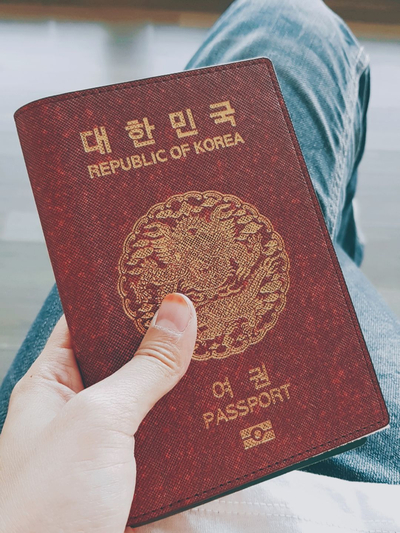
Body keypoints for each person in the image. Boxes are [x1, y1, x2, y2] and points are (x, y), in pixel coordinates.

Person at [1, 0, 399, 531]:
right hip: (349, 487)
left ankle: (334, 255)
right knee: (294, 21)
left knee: (285, 26)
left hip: (65, 482)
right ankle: (336, 255)